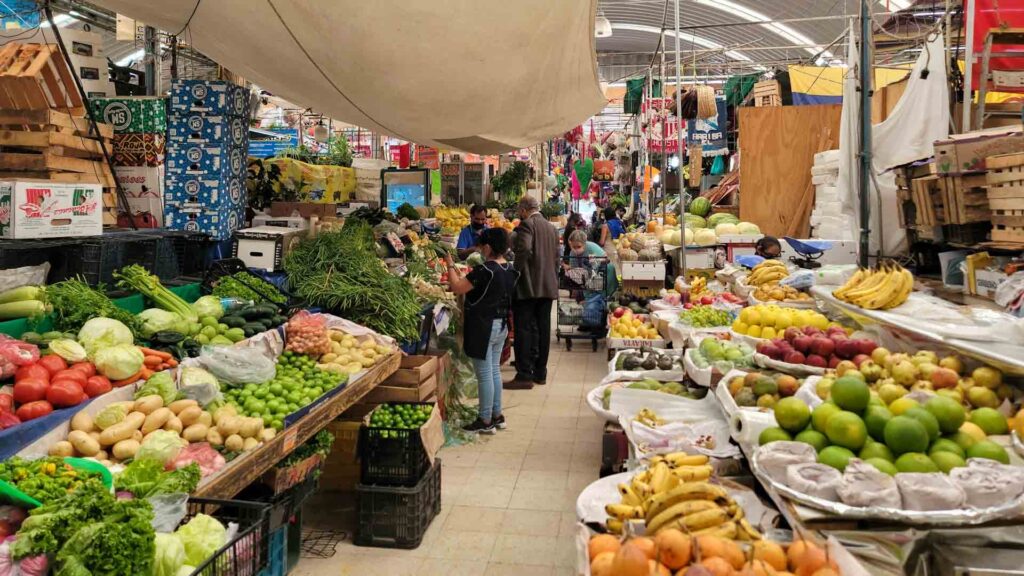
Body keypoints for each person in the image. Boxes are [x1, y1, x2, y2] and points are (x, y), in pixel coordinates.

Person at [446, 228, 519, 433]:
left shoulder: (484, 270)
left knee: (485, 374)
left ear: (487, 247)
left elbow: (457, 287)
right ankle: (497, 415)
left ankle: (485, 420)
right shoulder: (508, 269)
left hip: (484, 326)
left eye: (480, 246)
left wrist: (450, 264)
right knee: (494, 370)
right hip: (501, 325)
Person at [506, 196, 559, 389]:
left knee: (524, 328)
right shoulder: (552, 228)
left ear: (523, 209)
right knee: (542, 330)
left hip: (528, 286)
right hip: (547, 286)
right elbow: (556, 257)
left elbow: (525, 248)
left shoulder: (527, 224)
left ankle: (524, 374)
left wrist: (516, 270)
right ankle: (540, 373)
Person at [563, 230, 617, 330]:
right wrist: (576, 288)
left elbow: (596, 270)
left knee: (597, 298)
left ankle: (598, 323)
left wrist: (585, 290)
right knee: (585, 299)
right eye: (573, 247)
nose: (575, 249)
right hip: (589, 276)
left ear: (584, 243)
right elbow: (576, 272)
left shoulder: (591, 248)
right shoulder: (572, 253)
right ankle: (589, 321)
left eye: (578, 247)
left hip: (604, 275)